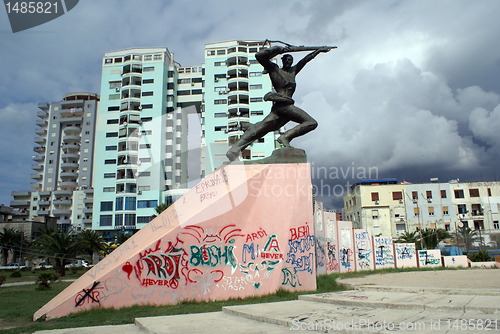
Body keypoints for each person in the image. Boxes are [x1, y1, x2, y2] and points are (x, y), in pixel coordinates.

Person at [226, 43, 332, 161]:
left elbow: (305, 60)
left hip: (282, 108)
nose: (288, 61)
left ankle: (234, 150)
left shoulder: (292, 72)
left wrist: (318, 50)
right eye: (286, 59)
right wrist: (278, 49)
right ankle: (285, 137)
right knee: (311, 122)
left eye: (290, 60)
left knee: (260, 129)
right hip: (284, 106)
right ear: (282, 60)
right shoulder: (274, 69)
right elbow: (259, 56)